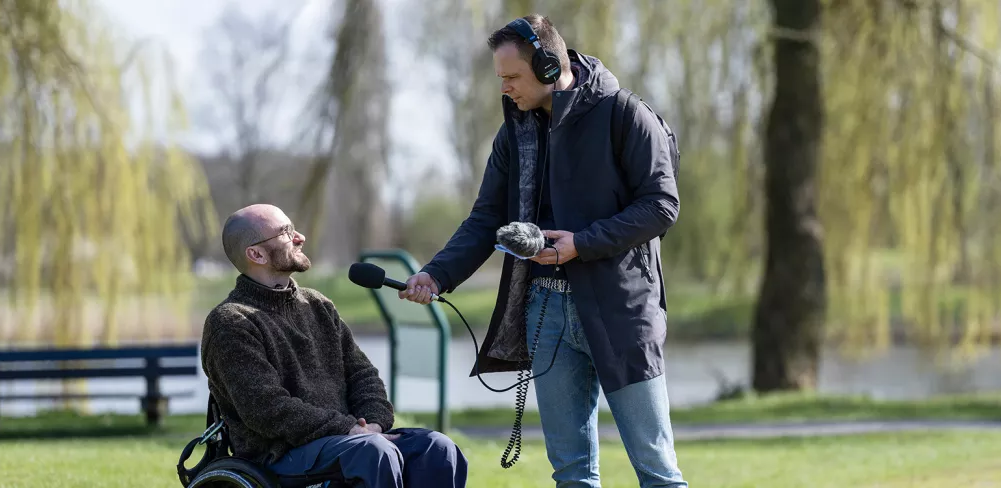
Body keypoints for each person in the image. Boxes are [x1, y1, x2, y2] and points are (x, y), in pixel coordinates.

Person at [399, 14, 687, 488]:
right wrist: (436, 274)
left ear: (550, 66)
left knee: (658, 472)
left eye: (512, 77)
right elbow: (485, 219)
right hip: (544, 313)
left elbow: (662, 205)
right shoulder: (512, 133)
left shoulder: (626, 114)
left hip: (622, 311)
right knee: (571, 474)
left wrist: (582, 244)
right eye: (501, 78)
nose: (505, 89)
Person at [200, 204, 468, 488]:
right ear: (256, 254)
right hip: (279, 455)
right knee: (373, 453)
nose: (300, 237)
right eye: (286, 232)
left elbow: (363, 376)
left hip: (350, 441)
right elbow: (267, 409)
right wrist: (349, 430)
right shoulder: (230, 322)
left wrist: (374, 424)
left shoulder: (317, 304)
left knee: (437, 448)